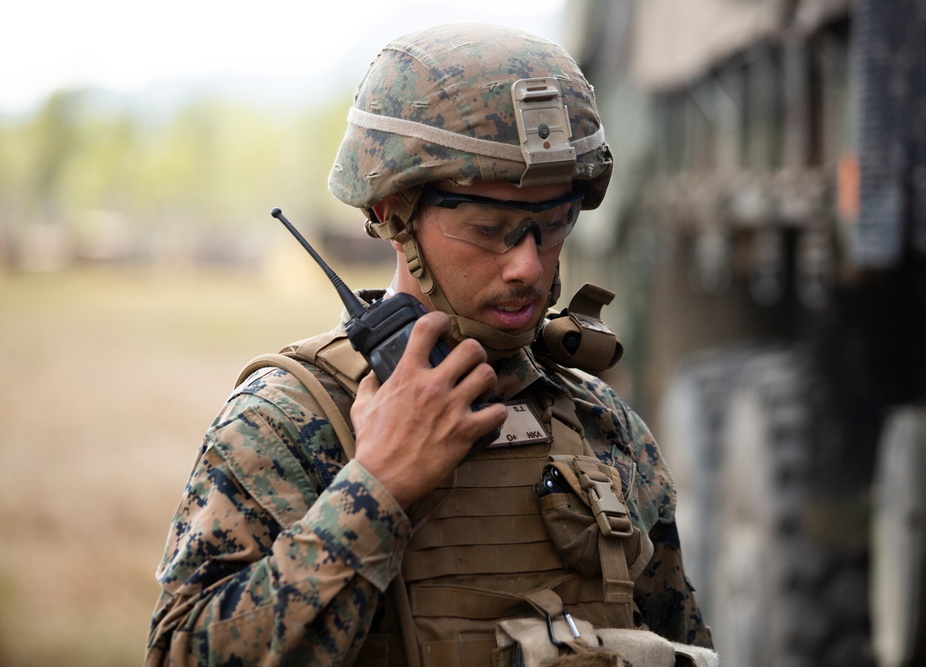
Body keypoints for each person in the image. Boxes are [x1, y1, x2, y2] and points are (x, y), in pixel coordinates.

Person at [146, 22, 714, 667]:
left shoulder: (603, 426)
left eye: (552, 225)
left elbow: (682, 645)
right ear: (394, 215)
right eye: (489, 228)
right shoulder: (289, 423)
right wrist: (376, 487)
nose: (528, 266)